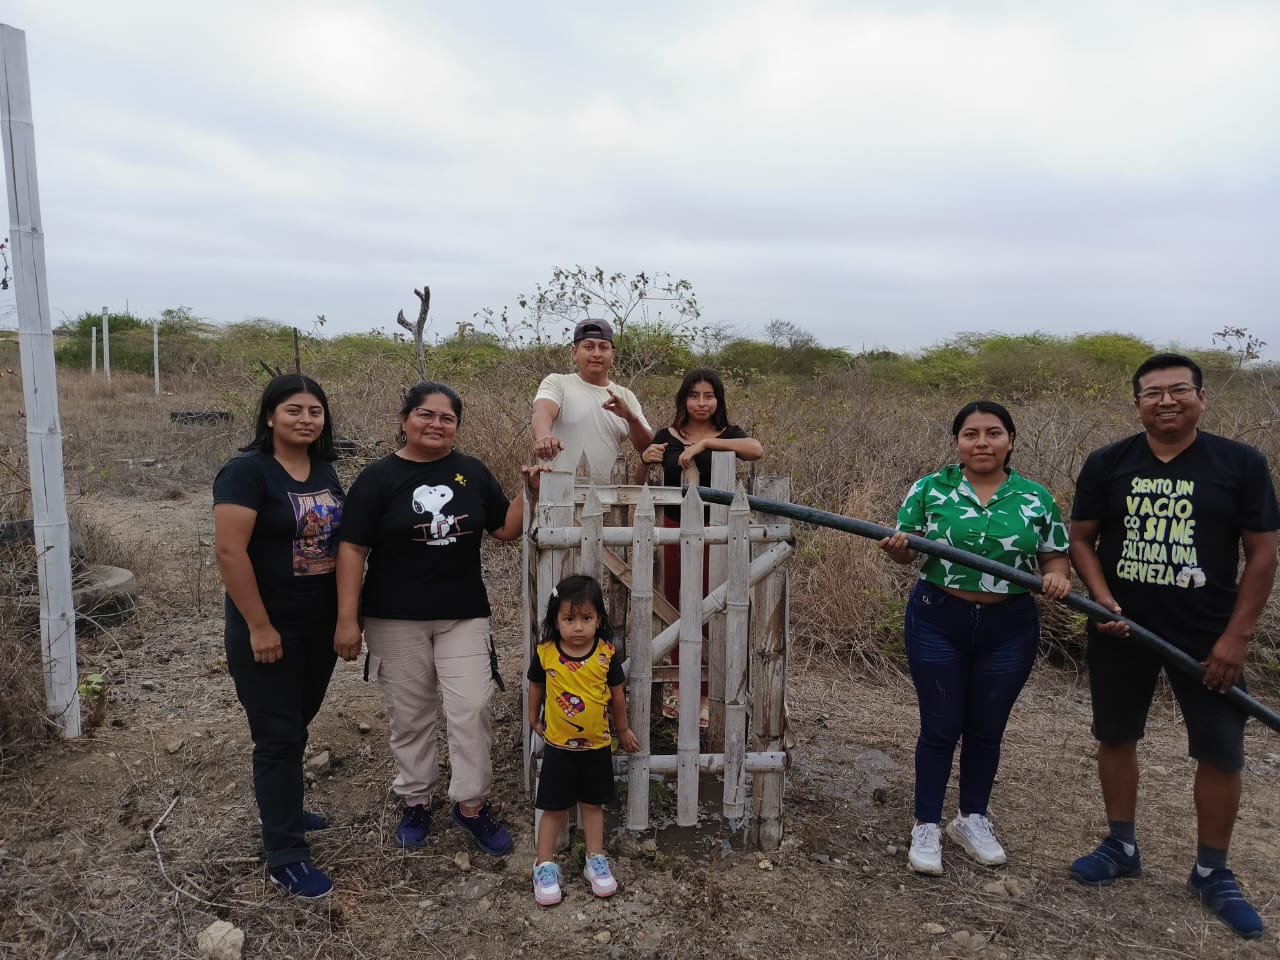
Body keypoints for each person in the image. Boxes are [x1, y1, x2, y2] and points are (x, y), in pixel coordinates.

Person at [1067, 353, 1278, 940]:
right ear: (1137, 403)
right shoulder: (1108, 462)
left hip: (1208, 636)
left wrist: (1235, 637)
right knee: (1116, 735)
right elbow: (1081, 539)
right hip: (1120, 629)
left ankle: (1212, 872)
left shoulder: (1240, 463)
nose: (1166, 401)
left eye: (1179, 390)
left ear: (1201, 398)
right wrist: (1102, 601)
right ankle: (1121, 845)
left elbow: (1263, 553)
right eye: (1152, 393)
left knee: (1221, 751)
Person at [334, 382, 541, 857]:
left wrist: (527, 492)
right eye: (426, 414)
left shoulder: (471, 472)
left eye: (447, 418)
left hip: (462, 614)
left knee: (472, 706)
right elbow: (352, 548)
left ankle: (471, 803)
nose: (436, 424)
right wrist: (347, 618)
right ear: (404, 419)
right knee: (410, 715)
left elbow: (505, 529)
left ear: (456, 427)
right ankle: (416, 799)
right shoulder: (378, 477)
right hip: (393, 617)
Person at [879, 401, 1071, 876]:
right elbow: (908, 552)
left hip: (1010, 626)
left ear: (1010, 440)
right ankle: (926, 823)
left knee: (987, 727)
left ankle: (971, 819)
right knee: (941, 725)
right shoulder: (929, 488)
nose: (982, 443)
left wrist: (1057, 576)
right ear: (957, 442)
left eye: (993, 433)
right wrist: (898, 549)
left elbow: (1055, 556)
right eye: (970, 434)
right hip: (937, 618)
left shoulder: (1035, 498)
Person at [213, 374, 344, 899]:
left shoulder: (323, 468)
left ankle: (282, 807)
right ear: (270, 416)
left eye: (315, 411)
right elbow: (230, 552)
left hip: (318, 624)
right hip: (269, 625)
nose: (306, 419)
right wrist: (260, 626)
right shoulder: (247, 472)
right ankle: (285, 854)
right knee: (277, 737)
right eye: (294, 410)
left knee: (296, 722)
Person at [636, 367, 764, 724]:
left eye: (709, 396)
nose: (702, 403)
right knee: (677, 606)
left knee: (712, 606)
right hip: (673, 529)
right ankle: (680, 690)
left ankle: (707, 694)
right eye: (694, 396)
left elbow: (755, 450)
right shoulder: (667, 435)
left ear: (718, 400)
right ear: (684, 399)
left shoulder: (729, 433)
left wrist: (706, 444)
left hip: (718, 532)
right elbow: (641, 483)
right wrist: (644, 461)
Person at [527, 574, 640, 906]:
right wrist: (533, 718)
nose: (578, 627)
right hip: (558, 749)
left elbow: (617, 696)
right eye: (569, 619)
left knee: (592, 806)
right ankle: (544, 866)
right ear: (555, 620)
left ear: (599, 619)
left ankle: (595, 859)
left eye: (586, 618)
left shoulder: (606, 654)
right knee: (553, 808)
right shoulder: (546, 654)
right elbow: (535, 687)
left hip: (597, 748)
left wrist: (623, 730)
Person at [531, 318, 653, 480]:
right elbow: (543, 411)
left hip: (608, 494)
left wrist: (631, 419)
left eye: (603, 347)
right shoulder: (558, 383)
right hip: (558, 491)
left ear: (612, 355)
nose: (596, 354)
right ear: (574, 353)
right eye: (588, 347)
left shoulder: (625, 396)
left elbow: (647, 448)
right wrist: (544, 437)